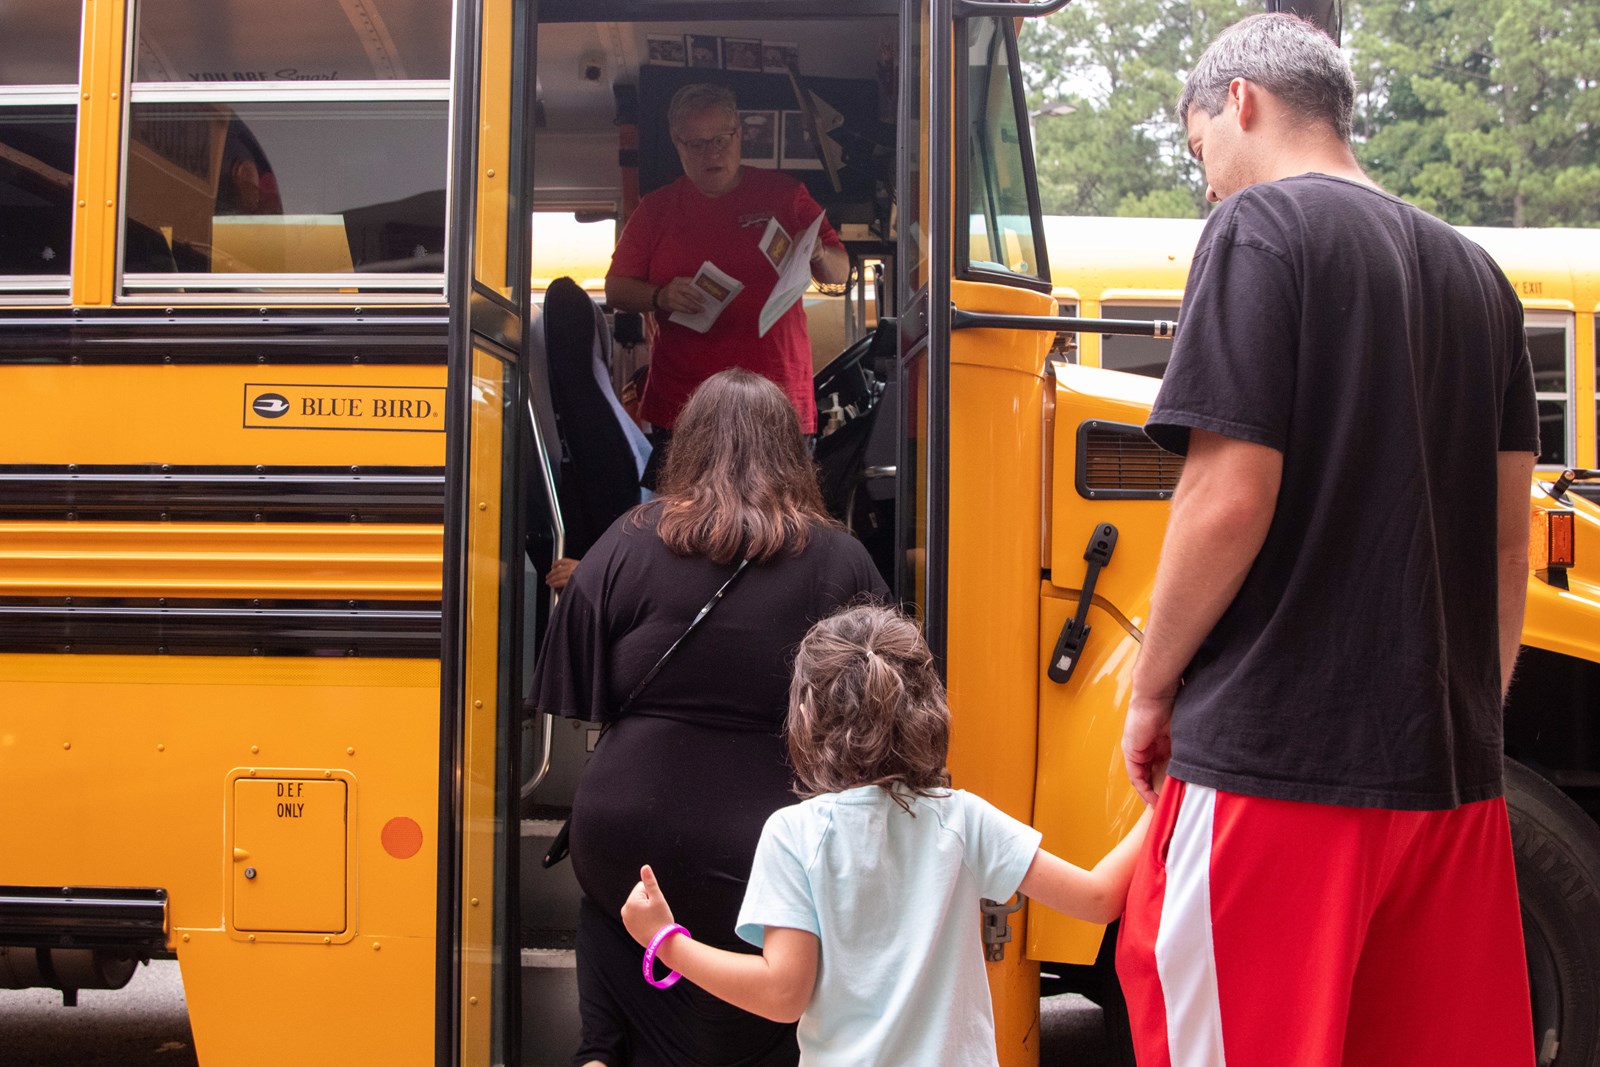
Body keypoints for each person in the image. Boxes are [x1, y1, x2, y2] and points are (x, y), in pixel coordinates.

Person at [1115, 14, 1540, 1066]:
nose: (1206, 180)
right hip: (1447, 784)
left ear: (1241, 102)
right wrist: (1468, 719)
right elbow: (1503, 542)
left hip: (1279, 770)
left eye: (1197, 146)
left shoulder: (1260, 230)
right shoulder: (1476, 275)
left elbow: (1226, 494)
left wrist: (1152, 686)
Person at [530, 369, 888, 1067]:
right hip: (768, 846)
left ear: (687, 446)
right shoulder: (841, 558)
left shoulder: (627, 541)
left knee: (615, 923)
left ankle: (602, 1049)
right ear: (792, 450)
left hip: (625, 832)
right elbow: (878, 713)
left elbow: (574, 690)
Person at [620, 604, 1152, 1067]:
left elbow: (783, 995)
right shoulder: (962, 820)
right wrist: (1171, 787)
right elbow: (1099, 899)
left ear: (807, 716)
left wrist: (666, 943)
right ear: (925, 707)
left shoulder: (793, 834)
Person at [605, 83, 850, 479]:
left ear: (739, 134)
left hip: (777, 395)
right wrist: (660, 295)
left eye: (721, 139)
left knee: (779, 530)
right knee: (688, 531)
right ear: (677, 144)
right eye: (697, 144)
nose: (712, 152)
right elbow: (616, 289)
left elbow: (840, 273)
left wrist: (817, 252)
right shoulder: (655, 209)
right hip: (686, 403)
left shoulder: (785, 196)